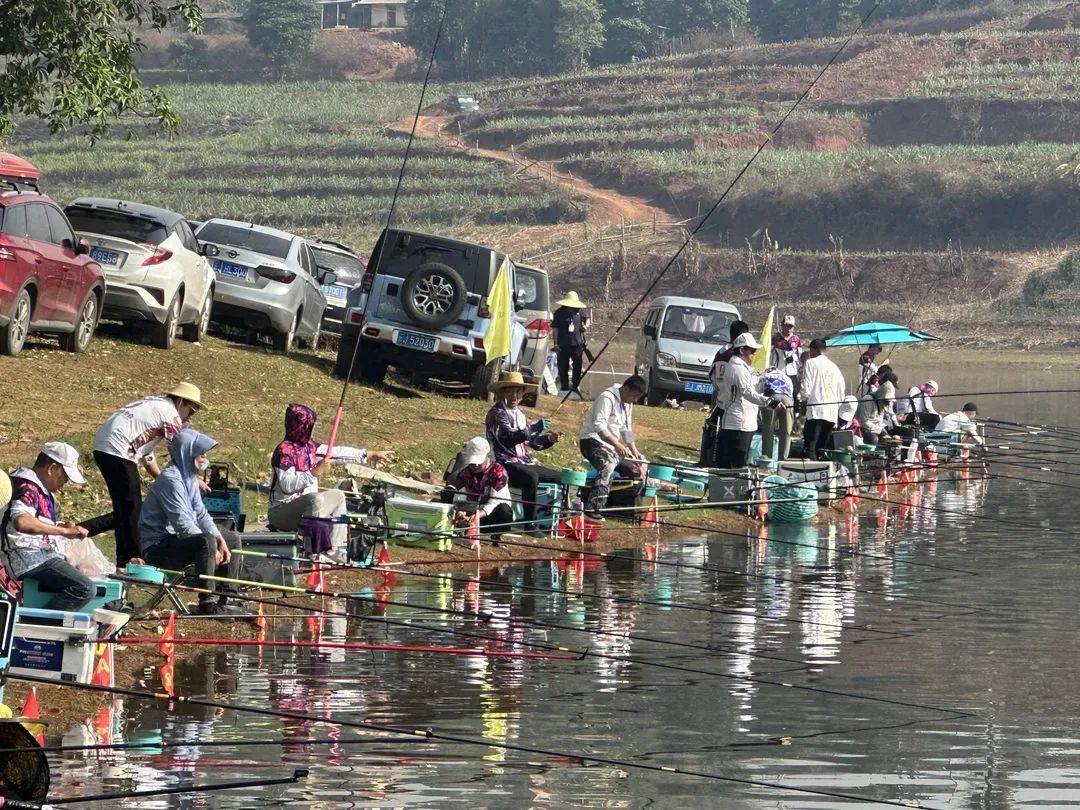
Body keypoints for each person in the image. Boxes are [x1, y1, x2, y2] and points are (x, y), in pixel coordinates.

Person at [93, 383, 206, 568]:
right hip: (118, 449)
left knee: (126, 506)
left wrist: (163, 479)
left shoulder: (156, 406)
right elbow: (179, 450)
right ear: (181, 402)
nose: (188, 418)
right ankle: (132, 557)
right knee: (132, 507)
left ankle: (94, 536)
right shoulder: (170, 413)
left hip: (107, 447)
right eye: (191, 412)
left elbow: (147, 455)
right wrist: (193, 479)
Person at [138, 428, 243, 615]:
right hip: (158, 548)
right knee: (205, 541)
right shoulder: (170, 480)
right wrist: (212, 547)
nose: (204, 458)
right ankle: (207, 602)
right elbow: (183, 524)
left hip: (179, 540)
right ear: (187, 453)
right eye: (200, 454)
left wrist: (220, 540)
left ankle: (229, 597)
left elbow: (200, 513)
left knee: (232, 538)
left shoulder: (188, 476)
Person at [269, 404, 393, 560]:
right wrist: (314, 473)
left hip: (307, 510)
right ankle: (312, 553)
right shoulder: (284, 451)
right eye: (309, 425)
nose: (311, 429)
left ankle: (336, 550)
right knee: (315, 498)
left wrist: (369, 454)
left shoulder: (310, 447)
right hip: (281, 513)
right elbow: (287, 486)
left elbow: (337, 453)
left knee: (338, 495)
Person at [1, 443, 94, 611]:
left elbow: (34, 520)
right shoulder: (27, 487)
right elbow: (22, 522)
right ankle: (38, 626)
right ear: (52, 468)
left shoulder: (38, 487)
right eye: (65, 476)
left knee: (85, 572)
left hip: (37, 554)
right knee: (85, 588)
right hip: (27, 558)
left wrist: (60, 526)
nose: (65, 482)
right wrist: (64, 531)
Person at [485, 371, 563, 537]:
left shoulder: (520, 414)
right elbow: (508, 438)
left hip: (524, 461)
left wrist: (549, 438)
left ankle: (554, 521)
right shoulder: (496, 413)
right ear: (502, 393)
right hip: (503, 463)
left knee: (560, 477)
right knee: (530, 477)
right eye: (510, 391)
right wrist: (533, 428)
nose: (514, 395)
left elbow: (531, 443)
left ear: (522, 394)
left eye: (518, 392)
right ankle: (529, 524)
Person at [579, 375, 647, 519]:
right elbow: (599, 426)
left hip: (612, 446)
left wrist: (634, 451)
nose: (635, 400)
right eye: (634, 396)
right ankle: (593, 507)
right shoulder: (607, 397)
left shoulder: (628, 403)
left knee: (636, 469)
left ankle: (620, 509)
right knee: (607, 466)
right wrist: (616, 444)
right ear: (626, 388)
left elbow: (626, 429)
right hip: (592, 441)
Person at [718, 333, 785, 468]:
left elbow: (749, 384)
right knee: (734, 466)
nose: (754, 355)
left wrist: (762, 376)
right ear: (742, 350)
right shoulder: (738, 369)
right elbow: (748, 393)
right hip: (738, 424)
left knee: (738, 464)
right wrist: (771, 403)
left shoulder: (741, 368)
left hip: (745, 423)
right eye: (752, 351)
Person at [701, 320, 749, 467]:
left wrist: (718, 387)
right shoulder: (737, 356)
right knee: (727, 432)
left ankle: (712, 458)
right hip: (732, 400)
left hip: (719, 395)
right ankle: (719, 461)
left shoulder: (721, 351)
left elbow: (711, 373)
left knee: (716, 427)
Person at [446, 437, 514, 540]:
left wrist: (476, 517)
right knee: (447, 493)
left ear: (487, 456)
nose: (476, 465)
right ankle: (460, 527)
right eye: (473, 462)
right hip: (472, 511)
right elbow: (460, 497)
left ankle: (496, 536)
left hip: (490, 514)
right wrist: (461, 512)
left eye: (479, 461)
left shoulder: (499, 473)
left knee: (504, 510)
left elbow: (494, 502)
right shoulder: (464, 473)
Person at [800, 338, 846, 460]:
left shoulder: (810, 363)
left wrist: (803, 402)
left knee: (811, 448)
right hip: (831, 412)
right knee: (821, 449)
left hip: (816, 411)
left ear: (814, 350)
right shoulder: (834, 367)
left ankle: (811, 473)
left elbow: (806, 387)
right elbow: (841, 392)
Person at [552, 291, 589, 397]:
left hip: (577, 344)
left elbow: (587, 319)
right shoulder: (558, 313)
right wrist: (555, 344)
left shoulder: (579, 311)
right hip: (563, 344)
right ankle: (564, 387)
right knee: (562, 366)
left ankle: (575, 387)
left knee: (577, 366)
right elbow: (555, 329)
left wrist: (585, 326)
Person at [758, 367, 795, 462]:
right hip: (787, 398)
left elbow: (758, 393)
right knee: (786, 431)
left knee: (768, 428)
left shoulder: (764, 376)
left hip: (771, 397)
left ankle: (767, 458)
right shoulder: (786, 377)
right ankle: (783, 459)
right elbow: (791, 393)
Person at [855, 368, 898, 445]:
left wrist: (895, 422)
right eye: (886, 400)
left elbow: (890, 412)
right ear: (882, 396)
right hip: (864, 429)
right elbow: (863, 422)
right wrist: (880, 430)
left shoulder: (886, 402)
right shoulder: (867, 400)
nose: (888, 402)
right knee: (874, 439)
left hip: (877, 429)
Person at [770, 315, 802, 398]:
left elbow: (799, 355)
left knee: (793, 394)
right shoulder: (775, 338)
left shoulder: (796, 339)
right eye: (786, 326)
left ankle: (794, 410)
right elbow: (770, 354)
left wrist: (793, 359)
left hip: (792, 372)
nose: (788, 328)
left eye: (790, 326)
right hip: (779, 371)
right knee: (778, 394)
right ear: (782, 326)